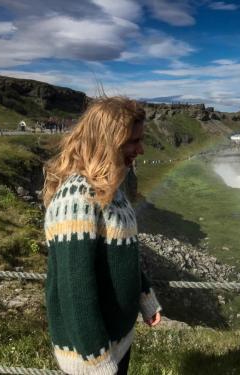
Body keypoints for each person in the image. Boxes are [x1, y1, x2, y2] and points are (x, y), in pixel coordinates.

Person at [42, 96, 161, 375]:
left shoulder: (111, 190)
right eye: (133, 141)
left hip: (116, 342)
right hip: (92, 358)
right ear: (108, 141)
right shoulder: (77, 200)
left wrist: (146, 300)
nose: (140, 149)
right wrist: (99, 365)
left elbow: (125, 254)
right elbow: (75, 291)